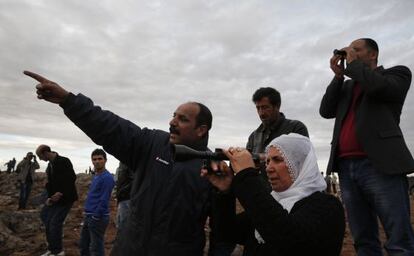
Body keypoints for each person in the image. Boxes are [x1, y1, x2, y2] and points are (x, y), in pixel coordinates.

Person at [24, 71, 214, 255]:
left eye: (182, 119)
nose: (172, 122)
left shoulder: (215, 169)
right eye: (174, 115)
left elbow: (221, 233)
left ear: (201, 130)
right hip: (129, 248)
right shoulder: (153, 143)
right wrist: (69, 101)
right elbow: (110, 126)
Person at [320, 38, 414, 255]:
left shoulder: (396, 74)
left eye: (356, 50)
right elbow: (326, 110)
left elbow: (378, 88)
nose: (350, 53)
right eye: (349, 50)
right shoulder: (347, 85)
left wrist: (352, 66)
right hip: (346, 167)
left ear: (372, 54)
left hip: (380, 165)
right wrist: (338, 77)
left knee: (399, 239)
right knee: (363, 238)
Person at [202, 133, 345, 256]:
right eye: (268, 161)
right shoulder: (274, 202)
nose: (269, 168)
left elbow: (289, 241)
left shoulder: (327, 206)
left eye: (278, 160)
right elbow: (227, 233)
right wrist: (225, 192)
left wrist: (246, 175)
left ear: (300, 165)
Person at [36, 145, 78, 256]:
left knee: (55, 223)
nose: (40, 159)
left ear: (45, 153)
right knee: (46, 218)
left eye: (40, 156)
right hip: (55, 199)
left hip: (66, 198)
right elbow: (50, 184)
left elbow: (71, 178)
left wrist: (60, 192)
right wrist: (50, 197)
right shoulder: (49, 166)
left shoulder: (64, 161)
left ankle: (58, 251)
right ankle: (52, 248)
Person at [79, 149, 115, 256]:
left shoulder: (107, 177)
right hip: (89, 215)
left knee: (96, 247)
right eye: (94, 159)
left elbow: (104, 199)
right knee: (84, 245)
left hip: (98, 217)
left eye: (100, 159)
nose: (97, 161)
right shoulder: (96, 176)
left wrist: (96, 216)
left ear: (105, 160)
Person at [114, 162, 133, 231]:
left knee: (124, 225)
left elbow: (134, 181)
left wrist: (122, 192)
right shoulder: (121, 165)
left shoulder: (129, 163)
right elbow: (118, 182)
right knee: (120, 223)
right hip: (122, 198)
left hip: (127, 198)